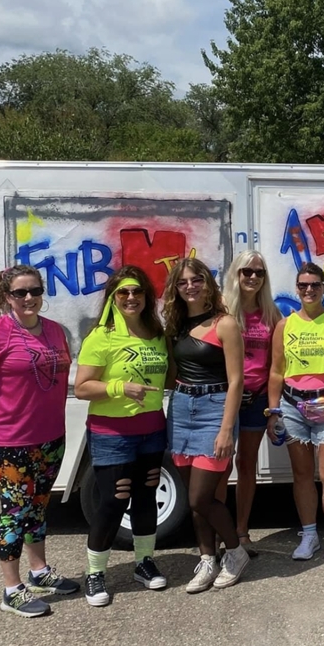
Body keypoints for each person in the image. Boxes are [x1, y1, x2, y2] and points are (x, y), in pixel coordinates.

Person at [0, 265, 78, 617]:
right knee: (15, 514)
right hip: (7, 443)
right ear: (6, 296)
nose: (29, 298)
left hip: (50, 438)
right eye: (20, 293)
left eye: (35, 291)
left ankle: (39, 571)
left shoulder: (54, 331)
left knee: (38, 508)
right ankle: (12, 590)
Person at [74, 266, 171, 606]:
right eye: (123, 293)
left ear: (147, 296)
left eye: (137, 292)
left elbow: (168, 378)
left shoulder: (156, 333)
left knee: (146, 498)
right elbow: (82, 387)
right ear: (113, 298)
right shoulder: (101, 336)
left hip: (152, 430)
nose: (131, 298)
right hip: (111, 433)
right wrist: (119, 387)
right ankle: (95, 573)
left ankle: (143, 563)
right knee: (113, 502)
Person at [164, 258, 250, 593]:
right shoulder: (175, 324)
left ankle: (236, 551)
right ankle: (207, 559)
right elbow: (173, 373)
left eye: (196, 280)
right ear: (176, 287)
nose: (190, 286)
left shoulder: (224, 323)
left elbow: (237, 380)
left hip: (215, 410)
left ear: (207, 283)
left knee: (201, 497)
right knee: (191, 497)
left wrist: (227, 429)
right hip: (182, 408)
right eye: (183, 282)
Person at [267, 262, 324, 566]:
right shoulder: (285, 325)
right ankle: (308, 535)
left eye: (315, 285)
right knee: (303, 475)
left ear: (323, 288)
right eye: (303, 285)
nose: (309, 290)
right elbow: (277, 371)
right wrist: (273, 410)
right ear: (297, 288)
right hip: (293, 407)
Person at [222, 250, 281, 557]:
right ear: (236, 274)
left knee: (246, 466)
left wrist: (273, 409)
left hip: (256, 400)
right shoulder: (222, 311)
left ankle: (242, 531)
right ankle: (219, 532)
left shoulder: (272, 315)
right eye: (247, 272)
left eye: (259, 273)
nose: (253, 277)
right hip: (223, 400)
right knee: (218, 467)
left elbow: (275, 367)